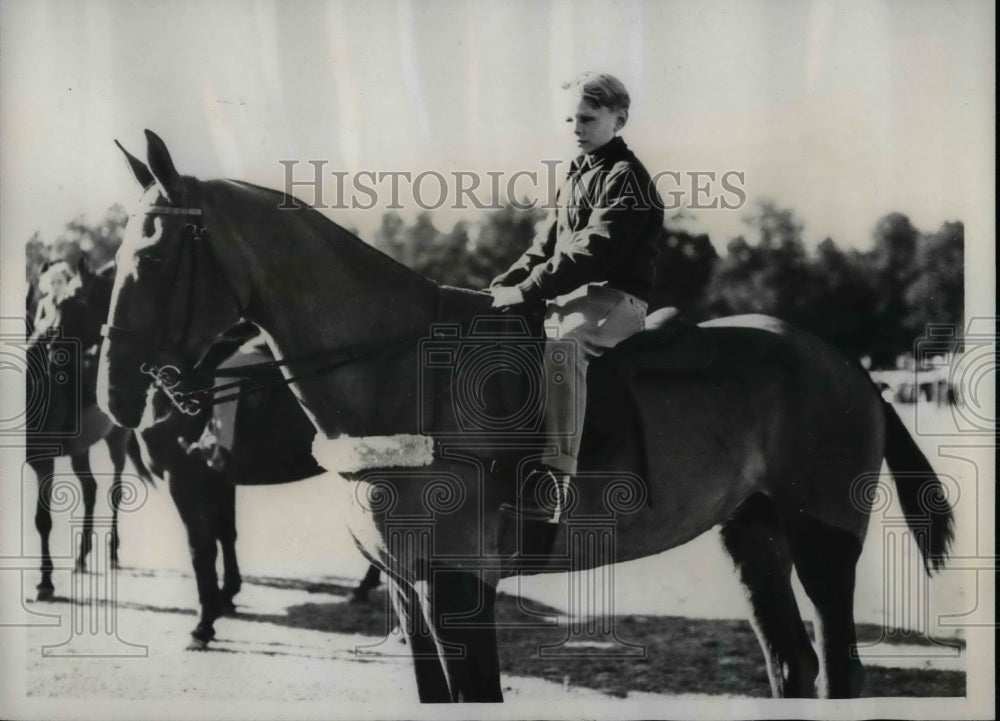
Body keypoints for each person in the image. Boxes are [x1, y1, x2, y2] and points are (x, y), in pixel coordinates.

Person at [489, 72, 664, 525]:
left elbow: (592, 252)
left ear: (619, 120)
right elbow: (543, 247)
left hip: (617, 300)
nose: (575, 128)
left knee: (564, 349)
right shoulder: (576, 174)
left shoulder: (627, 177)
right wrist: (498, 287)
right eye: (569, 118)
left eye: (586, 118)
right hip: (570, 299)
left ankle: (554, 482)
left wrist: (527, 291)